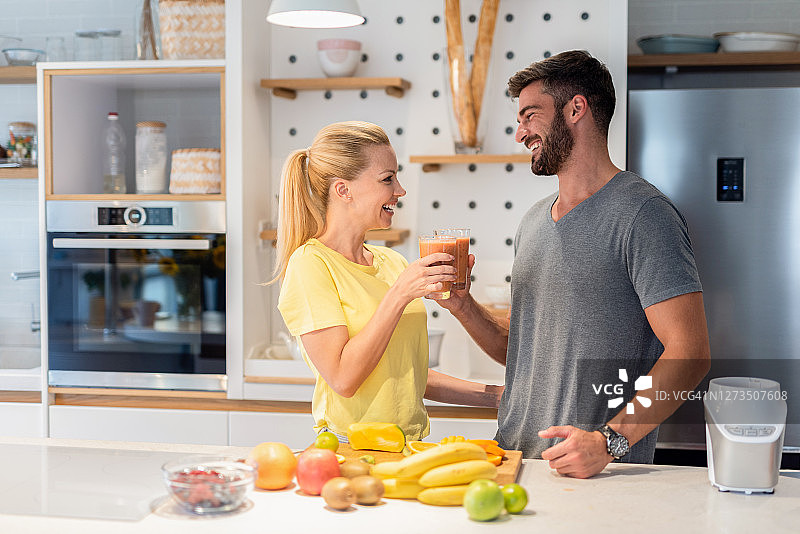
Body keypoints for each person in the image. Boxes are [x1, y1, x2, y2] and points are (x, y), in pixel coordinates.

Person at [438, 50, 711, 478]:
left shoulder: (644, 214)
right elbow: (518, 352)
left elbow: (690, 355)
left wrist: (609, 441)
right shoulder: (533, 221)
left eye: (530, 116)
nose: (520, 133)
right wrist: (462, 304)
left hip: (596, 476)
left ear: (576, 109)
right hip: (512, 461)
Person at [273, 121, 502, 442]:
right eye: (387, 179)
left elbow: (407, 375)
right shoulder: (310, 265)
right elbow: (344, 379)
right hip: (349, 450)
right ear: (343, 189)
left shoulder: (392, 262)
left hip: (410, 446)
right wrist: (399, 294)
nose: (400, 190)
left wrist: (497, 397)